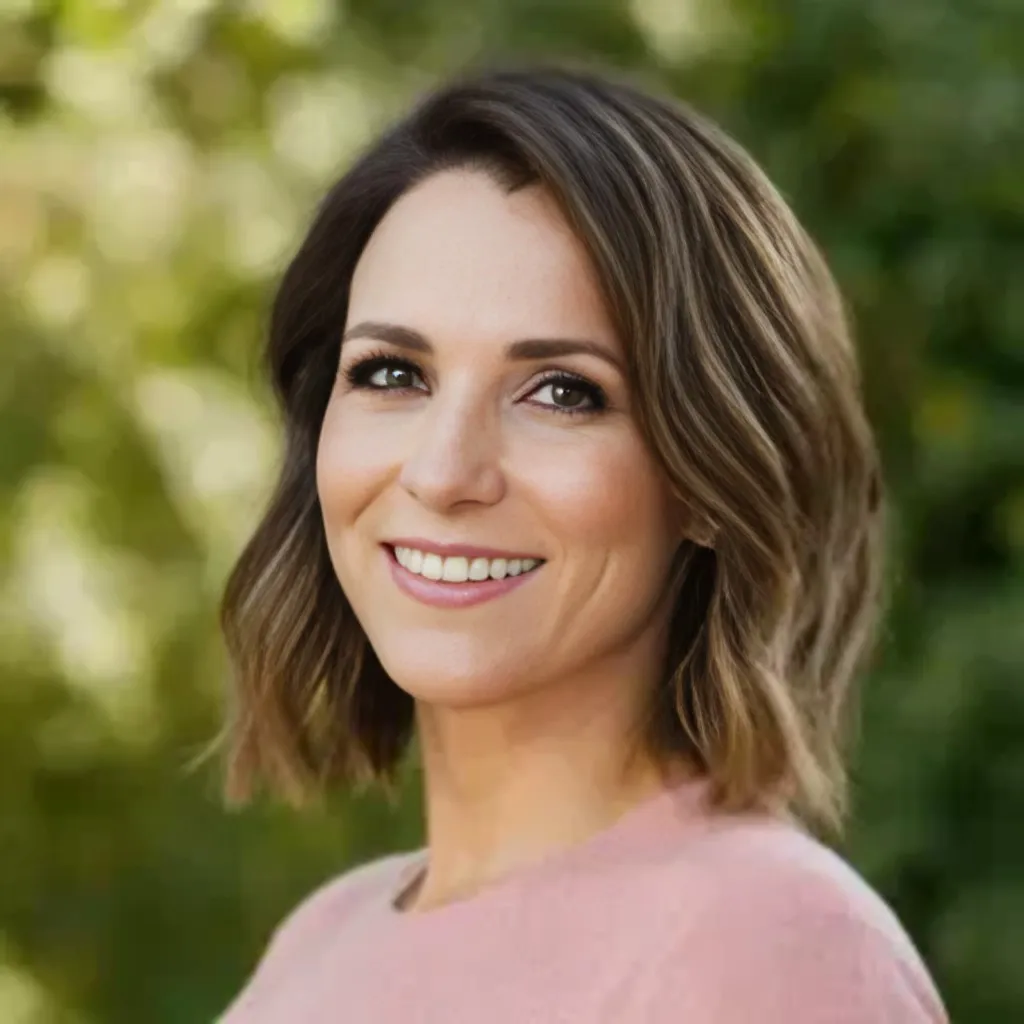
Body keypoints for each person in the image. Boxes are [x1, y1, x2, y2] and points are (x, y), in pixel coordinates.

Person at [216, 65, 948, 1022]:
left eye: (563, 391)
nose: (442, 473)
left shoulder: (775, 951)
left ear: (708, 476)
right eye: (392, 372)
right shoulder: (323, 942)